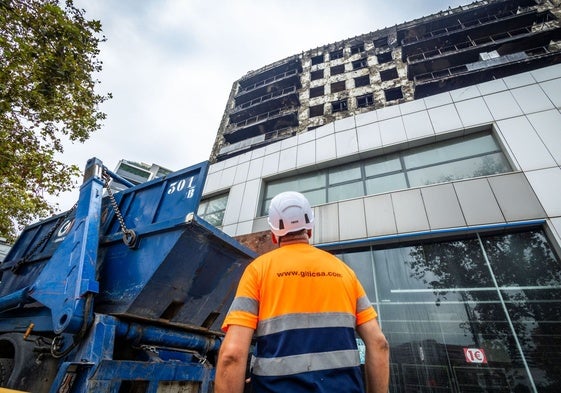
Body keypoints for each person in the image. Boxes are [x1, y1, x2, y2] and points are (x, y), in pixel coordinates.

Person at [215, 191, 389, 393]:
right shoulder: (345, 272)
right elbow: (379, 344)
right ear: (310, 230)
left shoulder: (258, 271)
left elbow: (232, 355)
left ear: (273, 235)